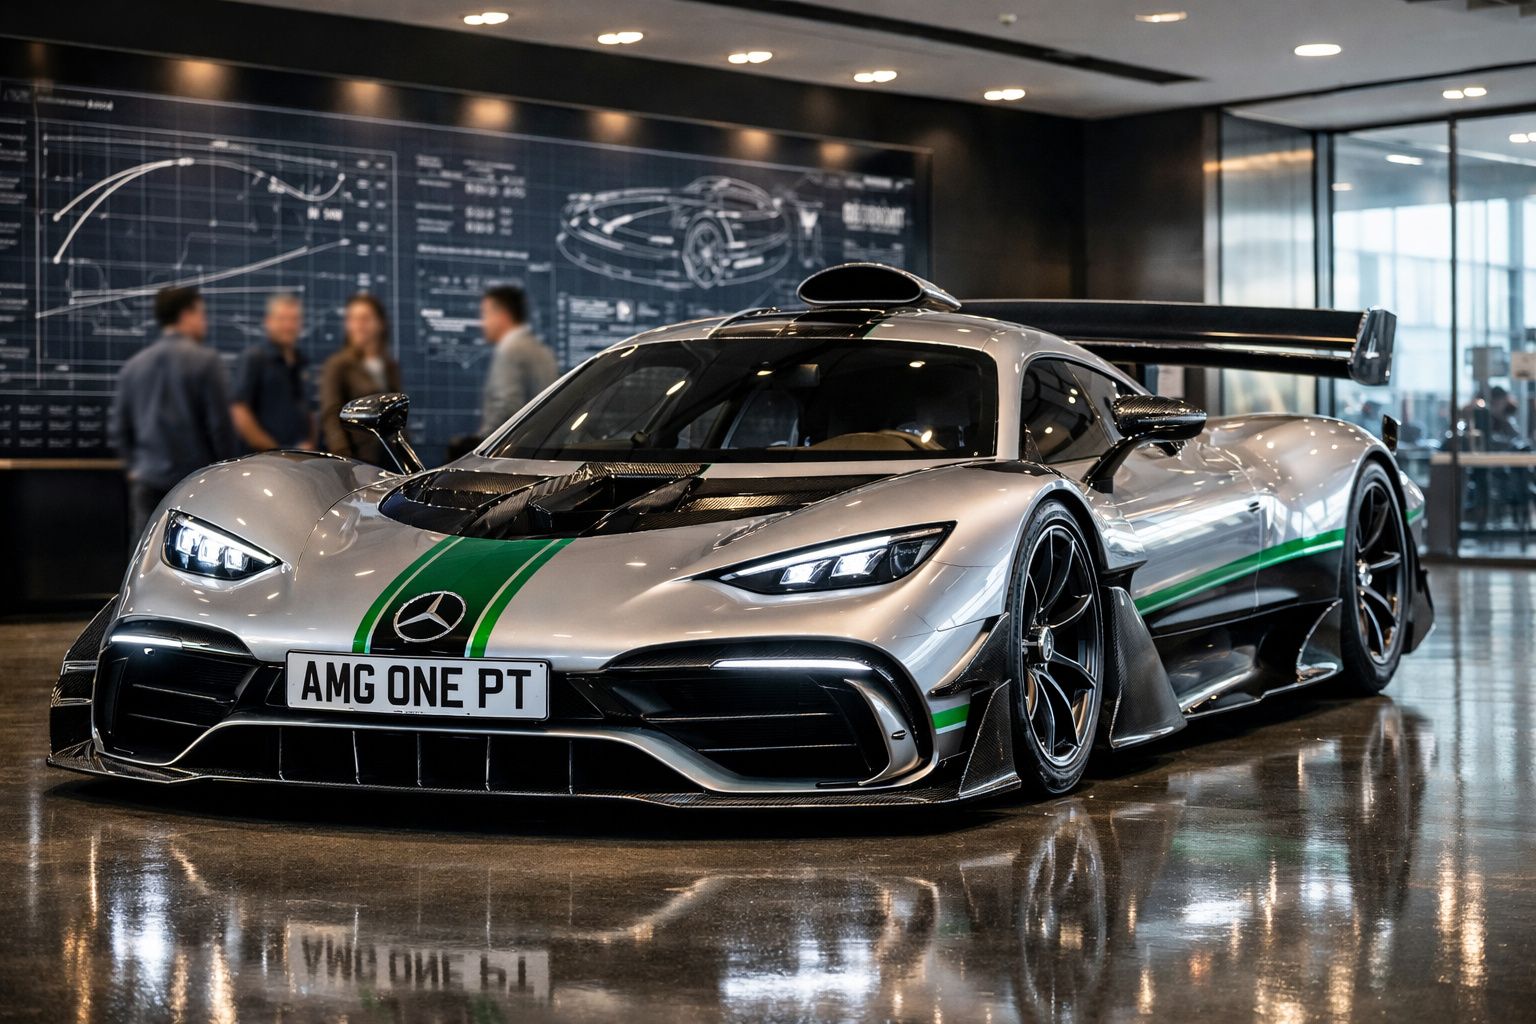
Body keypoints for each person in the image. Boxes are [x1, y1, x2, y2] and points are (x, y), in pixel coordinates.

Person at [110, 286, 237, 539]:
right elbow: (220, 427)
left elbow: (119, 429)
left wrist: (136, 467)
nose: (205, 322)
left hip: (147, 481)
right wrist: (226, 473)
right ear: (186, 315)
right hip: (194, 485)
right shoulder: (206, 361)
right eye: (201, 314)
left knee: (142, 557)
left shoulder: (134, 366)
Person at [319, 292, 402, 467]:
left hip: (391, 462)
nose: (358, 325)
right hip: (358, 462)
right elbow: (331, 415)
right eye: (352, 319)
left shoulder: (389, 367)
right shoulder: (338, 365)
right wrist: (345, 461)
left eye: (365, 319)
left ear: (380, 324)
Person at [231, 293, 314, 451]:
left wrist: (308, 445)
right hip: (261, 462)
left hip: (299, 461)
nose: (288, 326)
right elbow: (239, 411)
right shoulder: (254, 358)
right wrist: (275, 451)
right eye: (282, 319)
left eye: (294, 319)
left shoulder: (301, 362)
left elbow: (309, 410)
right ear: (268, 321)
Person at [478, 284, 557, 436]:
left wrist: (481, 446)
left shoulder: (509, 349)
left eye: (485, 315)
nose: (483, 323)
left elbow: (507, 407)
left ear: (502, 315)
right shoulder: (543, 351)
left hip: (509, 451)